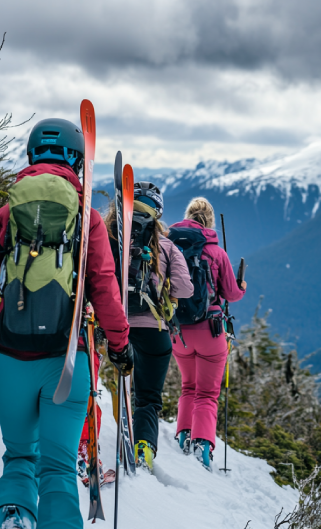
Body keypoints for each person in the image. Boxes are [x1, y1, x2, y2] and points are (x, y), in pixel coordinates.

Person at [0, 118, 131, 529]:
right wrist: (120, 346)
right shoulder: (89, 222)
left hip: (11, 360)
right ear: (77, 162)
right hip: (67, 362)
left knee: (19, 457)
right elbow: (105, 290)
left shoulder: (5, 216)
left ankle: (14, 515)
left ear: (32, 157)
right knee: (59, 468)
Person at [105, 181, 193, 472]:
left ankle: (119, 430)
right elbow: (184, 289)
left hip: (113, 322)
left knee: (120, 379)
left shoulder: (108, 235)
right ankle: (143, 447)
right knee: (149, 397)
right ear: (158, 211)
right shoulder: (166, 245)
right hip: (154, 328)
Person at [170, 197, 246, 470]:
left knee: (187, 386)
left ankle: (183, 435)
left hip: (179, 332)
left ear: (187, 217)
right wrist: (242, 284)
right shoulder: (216, 252)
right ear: (210, 222)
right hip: (211, 330)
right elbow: (231, 295)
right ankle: (203, 444)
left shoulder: (170, 246)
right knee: (207, 393)